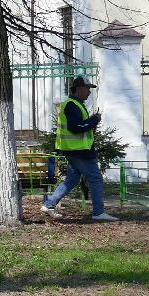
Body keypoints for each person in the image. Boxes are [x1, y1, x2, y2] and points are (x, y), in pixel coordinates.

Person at [42, 75, 118, 222]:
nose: (89, 92)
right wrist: (94, 120)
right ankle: (98, 212)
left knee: (72, 179)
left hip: (75, 150)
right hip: (79, 151)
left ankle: (50, 204)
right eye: (87, 88)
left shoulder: (75, 104)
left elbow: (78, 126)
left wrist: (91, 121)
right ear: (78, 89)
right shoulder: (72, 105)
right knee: (95, 178)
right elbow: (76, 128)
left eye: (90, 89)